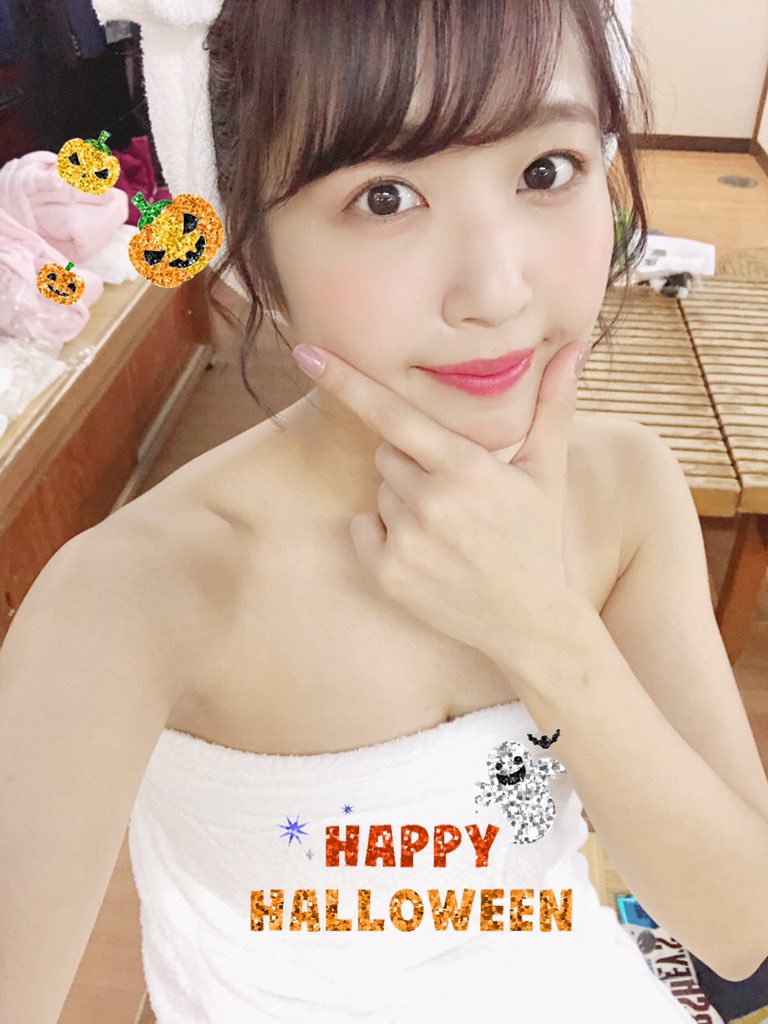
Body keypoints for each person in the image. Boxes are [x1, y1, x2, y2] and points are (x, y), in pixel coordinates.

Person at [2, 2, 767, 1022]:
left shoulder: (625, 490)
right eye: (385, 196)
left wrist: (541, 627)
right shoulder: (140, 594)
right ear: (255, 255)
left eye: (547, 171)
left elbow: (740, 930)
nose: (495, 292)